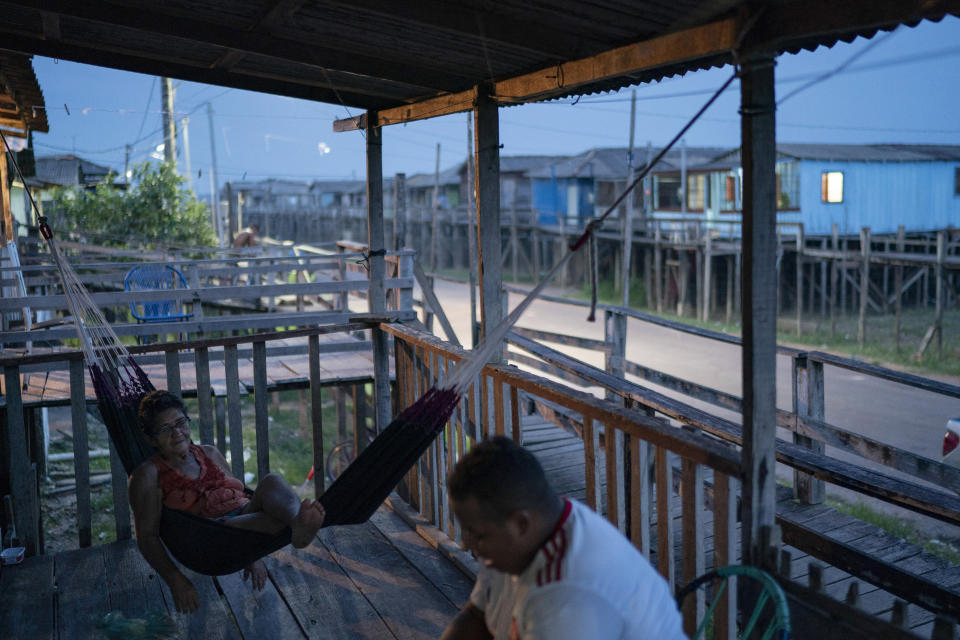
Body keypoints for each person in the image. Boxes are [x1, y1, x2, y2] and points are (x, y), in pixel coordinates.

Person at [440, 436, 685, 640]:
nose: (467, 545)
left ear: (521, 524)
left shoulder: (569, 595)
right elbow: (476, 616)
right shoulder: (516, 541)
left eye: (478, 535)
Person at [129, 390, 325, 614]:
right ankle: (296, 525)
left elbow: (239, 494)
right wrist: (176, 580)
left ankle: (297, 522)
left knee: (272, 481)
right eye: (166, 429)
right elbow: (147, 537)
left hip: (242, 516)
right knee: (266, 522)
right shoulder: (148, 475)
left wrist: (252, 555)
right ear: (151, 438)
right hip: (213, 535)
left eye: (180, 422)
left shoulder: (209, 453)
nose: (177, 433)